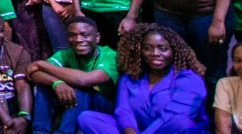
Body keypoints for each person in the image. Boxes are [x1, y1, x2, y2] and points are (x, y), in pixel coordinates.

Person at [77, 23, 208, 133]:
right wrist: (129, 130)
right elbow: (123, 110)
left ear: (174, 51)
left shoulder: (189, 78)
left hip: (170, 130)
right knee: (87, 118)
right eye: (147, 48)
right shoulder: (131, 77)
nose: (155, 53)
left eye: (162, 48)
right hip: (139, 130)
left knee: (181, 122)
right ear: (139, 51)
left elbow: (175, 115)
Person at [27, 16, 117, 134]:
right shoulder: (65, 54)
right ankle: (39, 131)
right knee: (44, 85)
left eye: (85, 35)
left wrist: (41, 64)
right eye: (72, 35)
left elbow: (85, 80)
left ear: (97, 37)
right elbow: (34, 73)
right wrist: (56, 83)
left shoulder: (110, 56)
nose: (78, 39)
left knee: (81, 89)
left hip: (104, 105)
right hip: (75, 102)